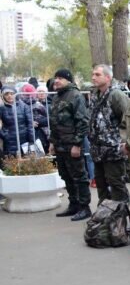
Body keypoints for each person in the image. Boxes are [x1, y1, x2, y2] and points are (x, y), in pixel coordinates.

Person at [49, 69, 92, 221]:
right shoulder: (57, 97)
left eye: (60, 78)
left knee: (79, 176)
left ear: (68, 80)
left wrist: (77, 144)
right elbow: (54, 122)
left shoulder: (75, 96)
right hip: (60, 145)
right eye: (56, 78)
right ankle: (73, 204)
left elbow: (82, 122)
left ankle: (84, 207)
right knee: (66, 175)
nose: (57, 81)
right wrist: (52, 143)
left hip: (72, 145)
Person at [87, 64, 130, 203]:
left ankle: (121, 217)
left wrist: (123, 142)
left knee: (116, 184)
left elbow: (127, 118)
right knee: (101, 184)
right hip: (97, 150)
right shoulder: (95, 95)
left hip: (113, 150)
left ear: (108, 77)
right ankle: (105, 216)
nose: (94, 77)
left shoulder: (116, 95)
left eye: (97, 75)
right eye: (93, 74)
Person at [1, 87, 34, 159]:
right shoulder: (2, 108)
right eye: (6, 94)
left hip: (24, 138)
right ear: (3, 96)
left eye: (12, 93)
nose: (9, 96)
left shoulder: (24, 106)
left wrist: (32, 140)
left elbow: (30, 124)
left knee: (26, 162)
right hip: (9, 141)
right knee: (12, 164)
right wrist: (4, 135)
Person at [32, 85, 51, 154]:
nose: (41, 93)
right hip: (38, 133)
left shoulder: (50, 104)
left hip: (49, 132)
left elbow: (51, 119)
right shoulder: (32, 104)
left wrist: (39, 122)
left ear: (47, 93)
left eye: (43, 91)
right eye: (39, 91)